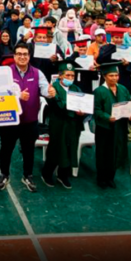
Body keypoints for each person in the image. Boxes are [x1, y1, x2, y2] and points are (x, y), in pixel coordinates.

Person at [0, 43, 55, 193]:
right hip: (9, 120)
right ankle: (4, 174)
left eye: (25, 54)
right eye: (19, 54)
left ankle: (28, 175)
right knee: (6, 148)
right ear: (14, 56)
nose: (22, 57)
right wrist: (17, 96)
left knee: (29, 149)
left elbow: (45, 88)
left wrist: (50, 92)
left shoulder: (37, 73)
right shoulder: (5, 72)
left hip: (30, 121)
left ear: (29, 56)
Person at [41, 61, 86, 189]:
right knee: (56, 148)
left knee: (70, 147)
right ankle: (47, 173)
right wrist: (70, 108)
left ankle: (63, 175)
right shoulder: (52, 88)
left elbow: (83, 105)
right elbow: (57, 107)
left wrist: (82, 112)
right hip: (58, 124)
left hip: (73, 124)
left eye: (72, 75)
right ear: (60, 75)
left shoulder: (76, 89)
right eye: (67, 75)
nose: (70, 78)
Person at [93, 62, 131, 189]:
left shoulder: (123, 89)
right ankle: (101, 178)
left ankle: (111, 177)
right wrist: (107, 117)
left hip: (120, 127)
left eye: (116, 75)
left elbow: (129, 104)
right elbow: (96, 110)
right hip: (105, 128)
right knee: (103, 152)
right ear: (104, 76)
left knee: (117, 151)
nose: (114, 78)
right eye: (111, 75)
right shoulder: (99, 91)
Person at [97, 27, 131, 94]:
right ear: (112, 38)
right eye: (116, 37)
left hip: (123, 79)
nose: (119, 40)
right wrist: (111, 47)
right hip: (108, 78)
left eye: (121, 38)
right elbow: (100, 59)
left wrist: (127, 64)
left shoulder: (128, 49)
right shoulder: (105, 48)